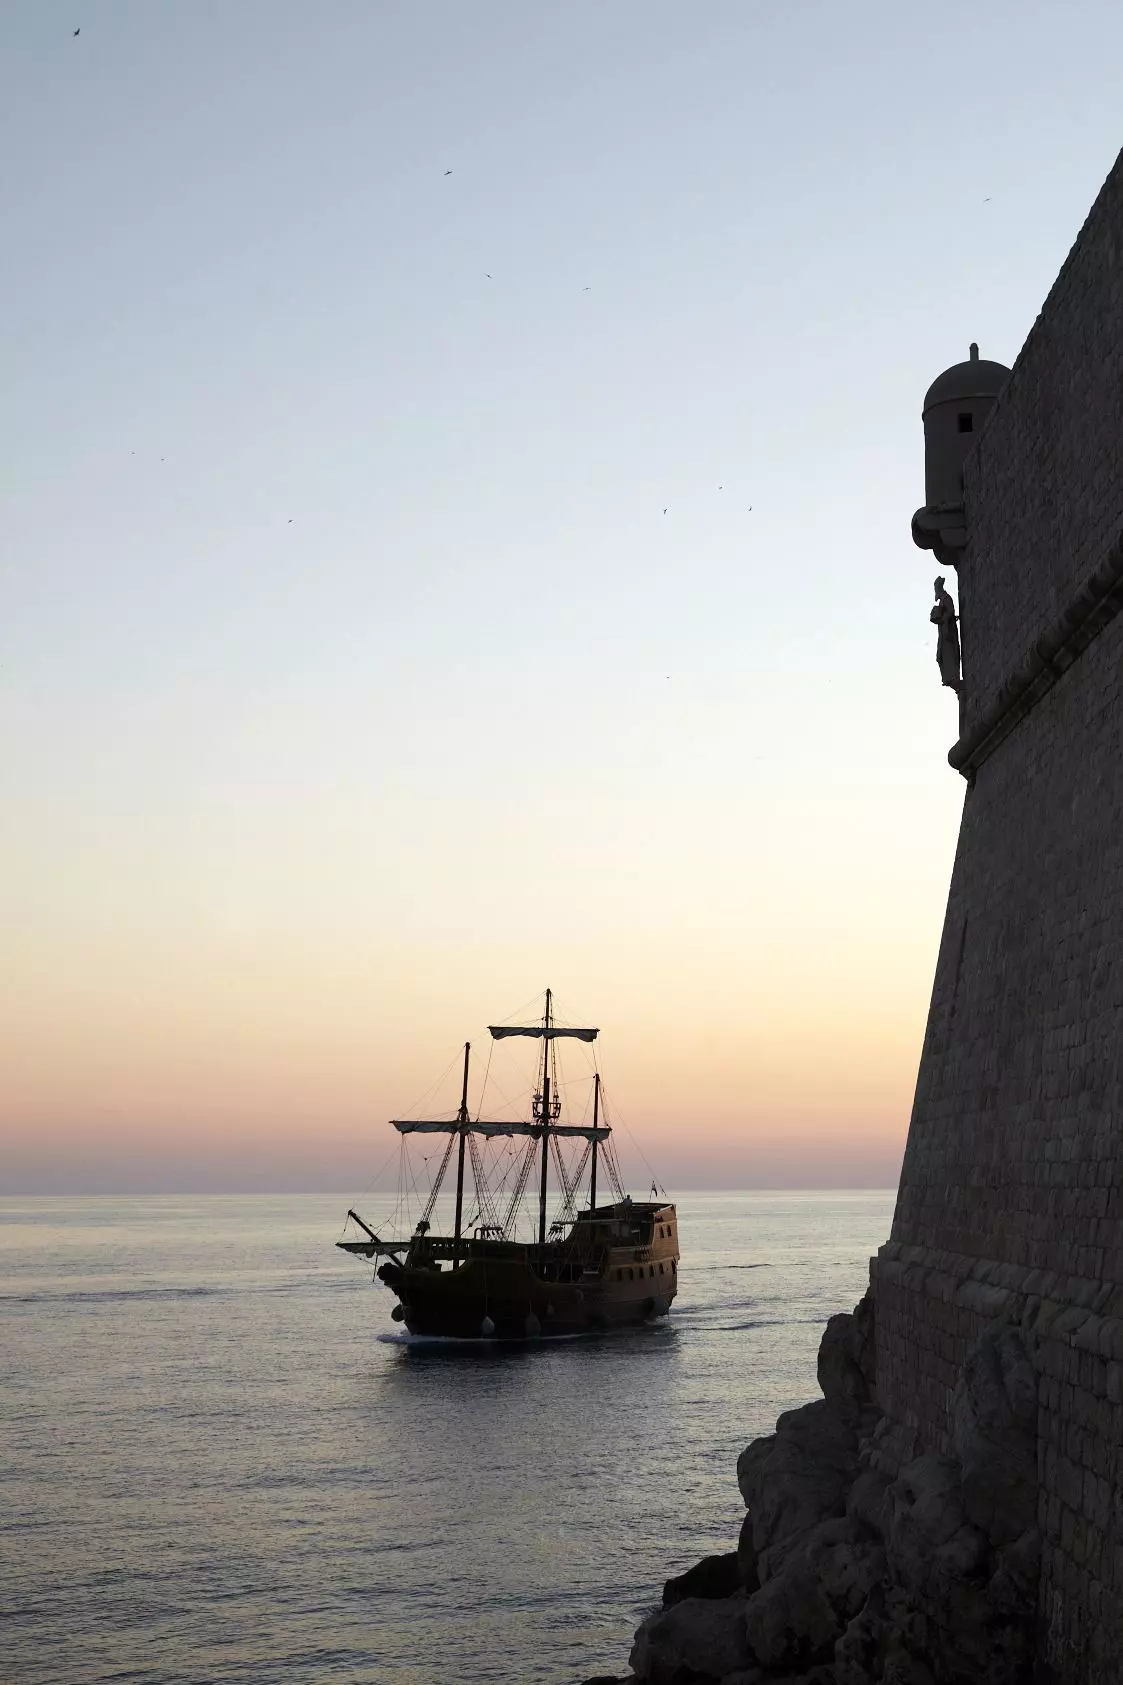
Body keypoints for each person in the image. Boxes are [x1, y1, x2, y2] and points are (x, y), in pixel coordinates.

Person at [930, 576, 962, 692]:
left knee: (947, 655)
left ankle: (953, 678)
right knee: (940, 657)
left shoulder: (946, 598)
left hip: (948, 633)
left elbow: (951, 611)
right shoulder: (942, 600)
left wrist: (943, 618)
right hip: (943, 634)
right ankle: (949, 678)